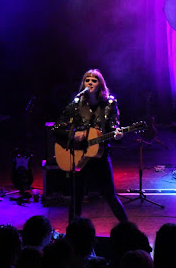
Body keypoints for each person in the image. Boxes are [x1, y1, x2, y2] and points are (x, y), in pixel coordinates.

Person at [53, 69, 129, 224]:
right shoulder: (76, 104)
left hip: (100, 157)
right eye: (87, 80)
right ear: (83, 83)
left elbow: (114, 127)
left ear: (100, 83)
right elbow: (57, 128)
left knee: (110, 195)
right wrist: (73, 135)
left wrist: (117, 135)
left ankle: (128, 230)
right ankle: (72, 234)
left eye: (94, 80)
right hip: (79, 156)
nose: (90, 83)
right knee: (77, 197)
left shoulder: (109, 104)